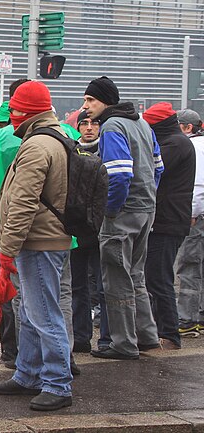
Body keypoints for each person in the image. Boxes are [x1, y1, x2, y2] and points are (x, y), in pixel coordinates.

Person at [0, 80, 72, 412]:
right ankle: (28, 373)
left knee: (43, 314)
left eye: (14, 109)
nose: (11, 115)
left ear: (24, 112)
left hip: (38, 241)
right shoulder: (52, 138)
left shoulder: (37, 145)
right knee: (31, 310)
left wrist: (6, 248)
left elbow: (23, 202)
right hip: (42, 239)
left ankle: (57, 383)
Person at [82, 76, 162, 360]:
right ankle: (147, 337)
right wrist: (148, 198)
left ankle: (124, 344)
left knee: (116, 279)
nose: (86, 105)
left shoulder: (113, 126)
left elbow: (119, 175)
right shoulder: (142, 123)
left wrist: (110, 210)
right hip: (145, 210)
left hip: (123, 214)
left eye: (90, 100)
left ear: (105, 100)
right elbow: (158, 168)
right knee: (136, 276)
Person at [142, 102, 195, 350]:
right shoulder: (177, 141)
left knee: (158, 278)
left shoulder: (174, 144)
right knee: (157, 276)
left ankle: (169, 334)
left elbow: (152, 169)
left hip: (167, 221)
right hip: (168, 220)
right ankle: (161, 330)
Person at [69, 110, 104, 354]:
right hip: (77, 227)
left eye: (93, 123)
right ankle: (81, 337)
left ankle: (107, 338)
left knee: (103, 284)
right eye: (84, 123)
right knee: (77, 285)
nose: (89, 127)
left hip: (101, 227)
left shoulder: (108, 149)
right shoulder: (70, 151)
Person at [176, 108, 204, 338]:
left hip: (197, 216)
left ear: (187, 128)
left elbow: (197, 186)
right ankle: (200, 316)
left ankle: (186, 319)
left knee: (189, 267)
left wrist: (191, 213)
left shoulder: (193, 147)